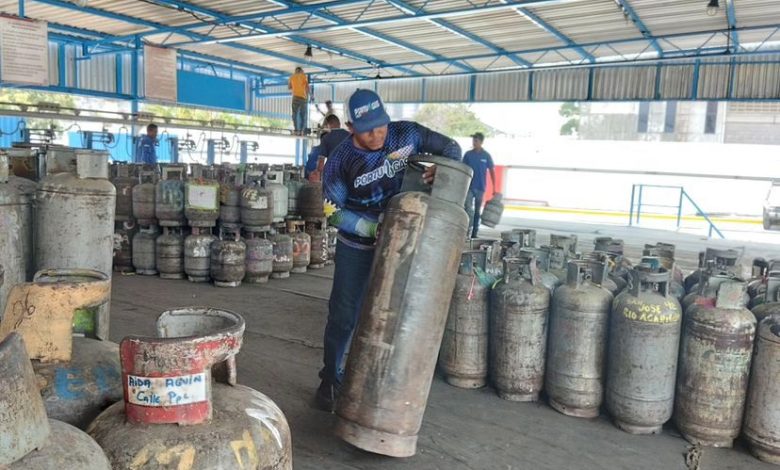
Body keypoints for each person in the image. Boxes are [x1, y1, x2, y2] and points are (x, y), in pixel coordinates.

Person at [316, 89, 462, 411]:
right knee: (344, 315)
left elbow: (452, 147)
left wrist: (443, 167)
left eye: (381, 125)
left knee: (399, 313)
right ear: (351, 127)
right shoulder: (340, 160)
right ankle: (330, 378)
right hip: (357, 247)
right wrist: (373, 230)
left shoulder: (406, 134)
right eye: (368, 130)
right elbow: (333, 212)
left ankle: (387, 382)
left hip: (405, 243)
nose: (378, 134)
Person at [463, 132, 496, 238]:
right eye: (473, 140)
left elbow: (492, 171)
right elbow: (463, 169)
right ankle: (466, 230)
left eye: (476, 140)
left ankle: (474, 233)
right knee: (468, 209)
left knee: (477, 211)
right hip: (469, 187)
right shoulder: (468, 155)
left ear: (481, 142)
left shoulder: (486, 156)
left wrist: (494, 188)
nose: (474, 142)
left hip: (480, 188)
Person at [288, 67, 309, 135]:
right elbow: (307, 87)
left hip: (295, 97)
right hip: (303, 98)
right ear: (301, 71)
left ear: (295, 71)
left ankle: (296, 130)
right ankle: (302, 131)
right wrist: (309, 96)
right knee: (303, 115)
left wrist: (295, 85)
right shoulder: (304, 76)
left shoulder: (291, 77)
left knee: (294, 114)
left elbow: (289, 87)